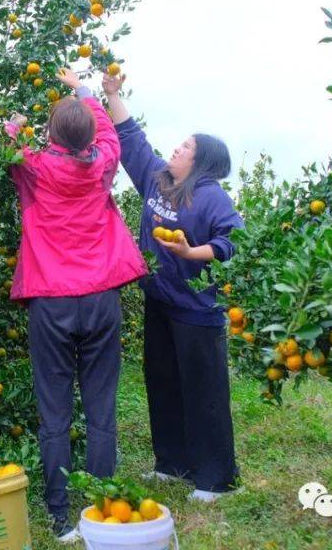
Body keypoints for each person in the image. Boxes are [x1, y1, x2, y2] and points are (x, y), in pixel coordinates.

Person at [7, 68, 147, 542]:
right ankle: (103, 504)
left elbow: (7, 144)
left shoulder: (36, 165)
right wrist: (85, 92)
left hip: (50, 301)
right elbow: (108, 132)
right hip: (101, 297)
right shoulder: (103, 163)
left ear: (49, 135)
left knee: (55, 412)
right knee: (101, 407)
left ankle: (61, 516)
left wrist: (15, 123)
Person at [102, 71, 242, 503]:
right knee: (162, 381)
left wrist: (189, 251)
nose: (177, 150)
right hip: (160, 302)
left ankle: (215, 478)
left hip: (197, 312)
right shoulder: (159, 180)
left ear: (200, 164)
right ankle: (172, 463)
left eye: (186, 148)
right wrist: (112, 95)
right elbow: (132, 140)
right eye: (180, 145)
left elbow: (231, 244)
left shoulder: (213, 198)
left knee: (205, 393)